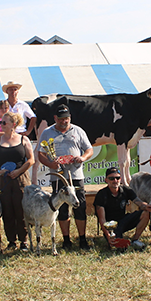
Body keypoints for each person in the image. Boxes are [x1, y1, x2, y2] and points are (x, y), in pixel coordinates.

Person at [36, 104, 94, 250]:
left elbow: (89, 149)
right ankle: (66, 240)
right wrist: (51, 163)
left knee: (79, 206)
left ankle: (82, 239)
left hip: (75, 175)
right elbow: (40, 154)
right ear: (55, 118)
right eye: (61, 119)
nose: (64, 122)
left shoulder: (78, 130)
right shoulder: (47, 132)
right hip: (58, 177)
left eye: (67, 119)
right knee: (61, 209)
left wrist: (82, 157)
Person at [0, 110, 35, 252]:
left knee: (21, 210)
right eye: (0, 122)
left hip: (20, 179)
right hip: (3, 180)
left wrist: (19, 171)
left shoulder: (23, 140)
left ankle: (24, 240)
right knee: (7, 210)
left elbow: (31, 160)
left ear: (13, 124)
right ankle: (11, 240)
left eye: (4, 122)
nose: (1, 125)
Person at [93, 167, 151, 249]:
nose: (115, 181)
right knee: (118, 246)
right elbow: (102, 220)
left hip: (123, 220)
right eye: (111, 178)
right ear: (106, 180)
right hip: (110, 226)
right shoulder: (101, 194)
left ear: (120, 179)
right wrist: (108, 236)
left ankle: (135, 240)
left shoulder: (126, 190)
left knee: (146, 212)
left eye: (117, 178)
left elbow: (138, 202)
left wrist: (146, 206)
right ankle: (114, 239)